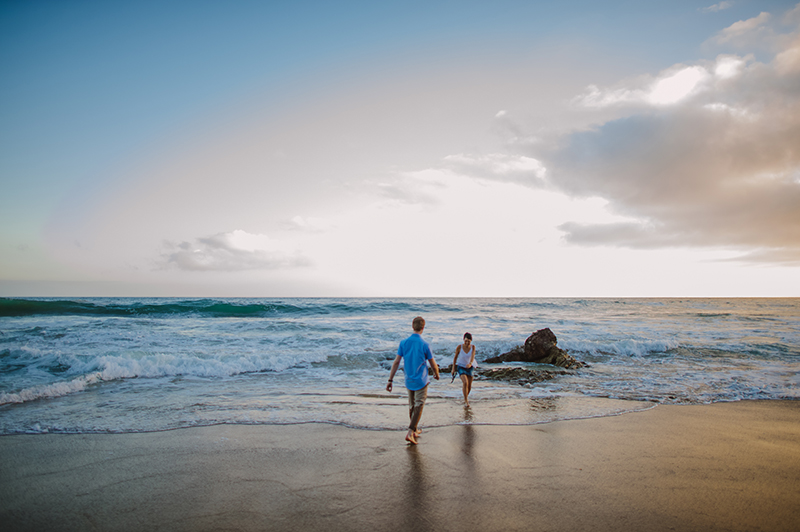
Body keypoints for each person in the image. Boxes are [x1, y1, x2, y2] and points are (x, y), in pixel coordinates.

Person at [386, 316, 440, 445]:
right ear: (423, 328)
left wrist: (390, 380)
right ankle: (410, 432)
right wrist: (436, 374)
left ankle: (415, 430)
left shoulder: (403, 343)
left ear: (412, 326)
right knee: (419, 405)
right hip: (421, 381)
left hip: (408, 380)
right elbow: (433, 364)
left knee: (412, 406)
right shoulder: (425, 344)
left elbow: (396, 362)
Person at [451, 332, 476, 406]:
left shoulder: (473, 347)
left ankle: (465, 397)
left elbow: (472, 356)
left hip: (470, 367)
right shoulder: (459, 347)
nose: (467, 342)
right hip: (461, 366)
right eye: (466, 341)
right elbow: (455, 357)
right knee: (465, 382)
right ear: (463, 340)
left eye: (468, 341)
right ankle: (466, 401)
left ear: (471, 341)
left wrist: (470, 363)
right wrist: (453, 369)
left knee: (469, 385)